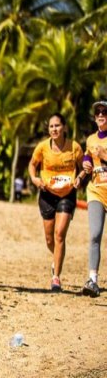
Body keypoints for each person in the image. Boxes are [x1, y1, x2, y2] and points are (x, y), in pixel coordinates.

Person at [28, 113, 84, 292]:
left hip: (67, 194)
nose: (54, 129)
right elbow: (32, 165)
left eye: (57, 126)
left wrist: (80, 179)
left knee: (60, 234)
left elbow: (83, 168)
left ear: (64, 127)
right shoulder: (42, 147)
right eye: (51, 126)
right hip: (47, 194)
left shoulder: (74, 147)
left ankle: (56, 277)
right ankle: (57, 259)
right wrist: (34, 179)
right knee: (49, 238)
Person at [79, 100, 107, 298]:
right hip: (96, 191)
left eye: (104, 112)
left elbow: (101, 156)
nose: (100, 115)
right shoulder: (90, 139)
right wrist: (86, 165)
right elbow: (88, 157)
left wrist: (104, 154)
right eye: (97, 112)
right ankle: (93, 280)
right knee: (95, 234)